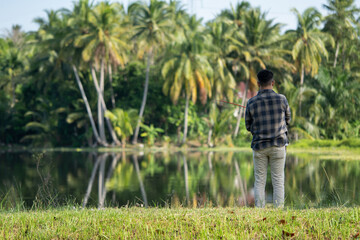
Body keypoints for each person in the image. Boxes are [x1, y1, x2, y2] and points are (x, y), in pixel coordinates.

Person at [245, 69, 291, 208]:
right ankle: (278, 210)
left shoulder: (251, 102)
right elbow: (288, 119)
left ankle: (260, 210)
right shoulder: (282, 99)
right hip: (278, 145)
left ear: (258, 84)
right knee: (278, 180)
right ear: (273, 82)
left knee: (259, 180)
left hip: (259, 146)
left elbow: (248, 125)